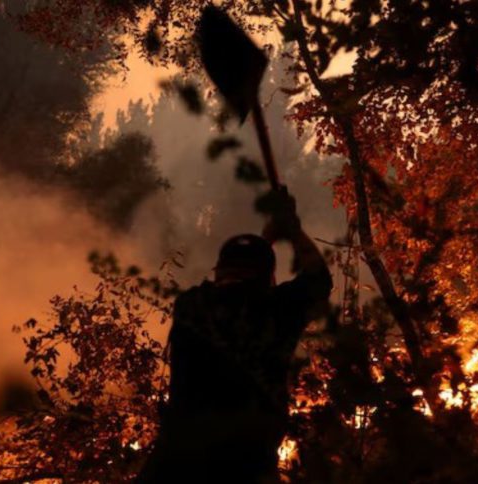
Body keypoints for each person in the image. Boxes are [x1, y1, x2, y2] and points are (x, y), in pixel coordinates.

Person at [138, 186, 332, 483]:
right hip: (244, 468)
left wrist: (264, 242)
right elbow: (318, 279)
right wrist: (292, 230)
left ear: (218, 272)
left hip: (173, 467)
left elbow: (242, 287)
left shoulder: (191, 305)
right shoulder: (277, 309)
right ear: (269, 276)